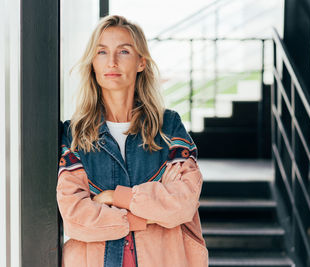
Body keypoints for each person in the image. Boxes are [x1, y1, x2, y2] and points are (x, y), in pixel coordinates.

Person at [57, 15, 208, 267]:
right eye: (102, 52)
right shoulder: (75, 134)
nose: (112, 62)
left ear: (141, 62)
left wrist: (115, 197)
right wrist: (147, 216)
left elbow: (183, 202)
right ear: (92, 63)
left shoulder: (168, 127)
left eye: (123, 51)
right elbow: (75, 217)